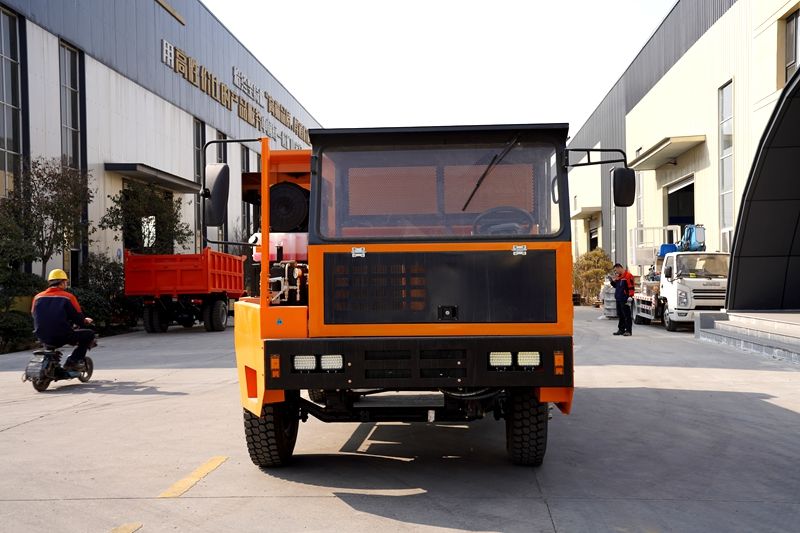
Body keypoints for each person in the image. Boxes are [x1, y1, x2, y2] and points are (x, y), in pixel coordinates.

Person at [31, 269, 94, 371]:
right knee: (89, 334)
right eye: (66, 282)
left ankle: (51, 363)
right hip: (62, 336)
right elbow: (77, 317)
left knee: (50, 340)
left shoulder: (37, 297)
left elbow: (34, 315)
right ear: (62, 283)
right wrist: (85, 321)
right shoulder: (68, 297)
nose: (66, 284)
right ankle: (73, 361)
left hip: (41, 335)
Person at [610, 263, 634, 337]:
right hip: (618, 298)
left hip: (625, 298)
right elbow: (616, 286)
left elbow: (631, 287)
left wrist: (630, 296)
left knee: (626, 315)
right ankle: (621, 329)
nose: (615, 272)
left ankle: (628, 330)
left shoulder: (628, 276)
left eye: (615, 270)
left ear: (619, 268)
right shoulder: (619, 277)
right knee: (620, 315)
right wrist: (612, 281)